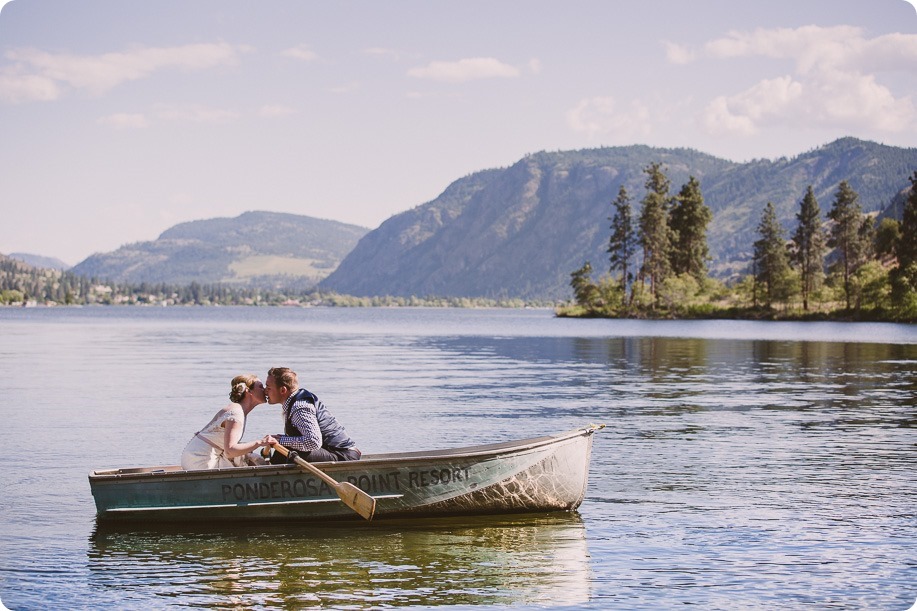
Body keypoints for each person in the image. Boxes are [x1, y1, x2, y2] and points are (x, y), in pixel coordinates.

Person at [264, 366, 361, 463]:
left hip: (343, 455)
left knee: (286, 450)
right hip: (334, 452)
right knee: (283, 448)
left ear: (283, 390)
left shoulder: (299, 408)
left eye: (268, 388)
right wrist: (280, 439)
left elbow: (313, 442)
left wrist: (281, 440)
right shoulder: (293, 403)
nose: (265, 391)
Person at [180, 374, 277, 470]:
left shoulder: (235, 408)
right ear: (248, 391)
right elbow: (230, 451)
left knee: (249, 455)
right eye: (260, 387)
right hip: (201, 462)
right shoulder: (236, 414)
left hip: (192, 458)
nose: (264, 390)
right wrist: (260, 442)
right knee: (252, 460)